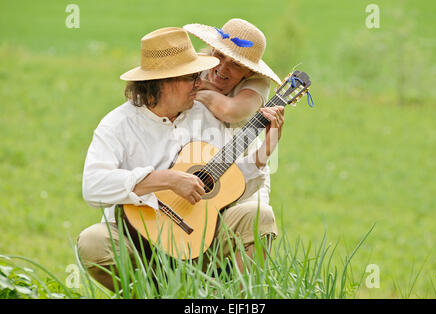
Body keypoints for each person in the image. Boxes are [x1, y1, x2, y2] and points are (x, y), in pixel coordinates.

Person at [77, 27, 284, 292]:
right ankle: (152, 294)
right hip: (138, 241)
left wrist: (266, 149)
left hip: (200, 238)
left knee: (259, 215)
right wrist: (165, 179)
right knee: (92, 243)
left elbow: (228, 179)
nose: (201, 81)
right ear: (163, 81)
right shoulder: (118, 124)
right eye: (191, 77)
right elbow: (93, 187)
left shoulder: (207, 114)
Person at [183, 18, 280, 206]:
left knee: (253, 218)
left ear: (249, 72)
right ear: (212, 50)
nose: (223, 68)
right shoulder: (196, 64)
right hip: (195, 166)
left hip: (243, 167)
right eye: (220, 55)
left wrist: (198, 91)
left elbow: (229, 111)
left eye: (236, 64)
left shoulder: (257, 83)